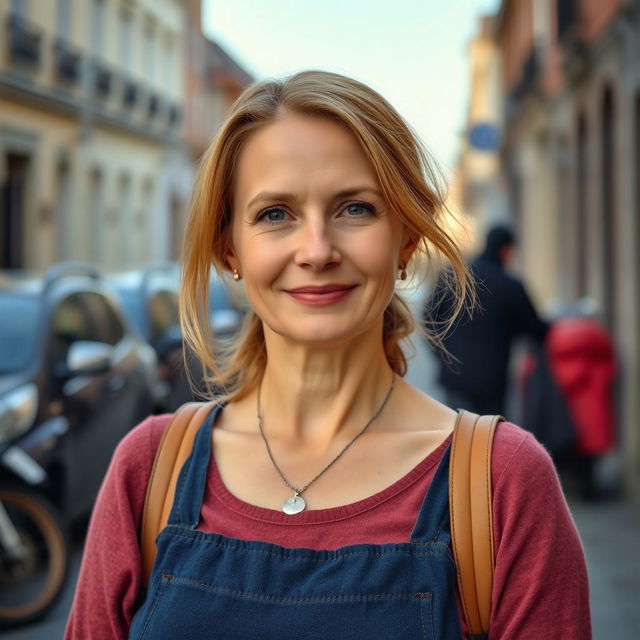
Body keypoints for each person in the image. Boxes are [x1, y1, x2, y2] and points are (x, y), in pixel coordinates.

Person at [65, 71, 590, 639]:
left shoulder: (502, 482)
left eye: (355, 208)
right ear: (229, 249)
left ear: (407, 239)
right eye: (274, 214)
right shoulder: (148, 472)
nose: (316, 250)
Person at [424, 224, 549, 416]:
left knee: (459, 435)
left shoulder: (454, 276)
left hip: (454, 375)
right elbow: (535, 328)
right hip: (492, 382)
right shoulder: (510, 286)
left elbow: (429, 319)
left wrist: (441, 355)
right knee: (490, 440)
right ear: (506, 250)